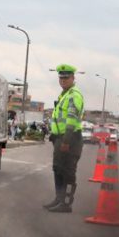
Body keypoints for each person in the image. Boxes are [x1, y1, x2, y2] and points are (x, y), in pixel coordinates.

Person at [44, 64, 86, 213]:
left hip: (70, 139)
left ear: (73, 78)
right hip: (60, 139)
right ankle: (59, 199)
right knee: (58, 169)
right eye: (61, 77)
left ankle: (66, 203)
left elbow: (71, 121)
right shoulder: (64, 95)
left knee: (68, 171)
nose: (63, 80)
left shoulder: (74, 95)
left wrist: (66, 141)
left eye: (66, 77)